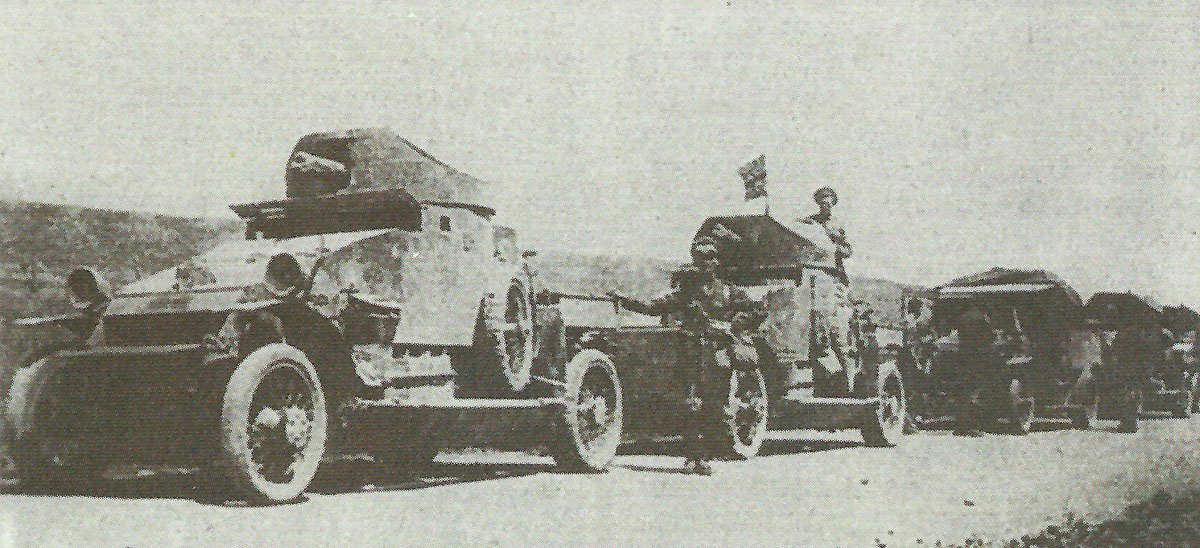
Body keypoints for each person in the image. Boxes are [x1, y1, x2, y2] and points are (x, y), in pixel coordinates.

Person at [609, 236, 761, 475]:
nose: (705, 263)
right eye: (700, 258)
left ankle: (706, 455)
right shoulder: (688, 290)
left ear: (717, 261)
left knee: (717, 404)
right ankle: (693, 457)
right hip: (691, 351)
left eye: (709, 257)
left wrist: (734, 326)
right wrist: (626, 300)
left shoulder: (729, 291)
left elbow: (757, 310)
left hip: (718, 352)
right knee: (690, 404)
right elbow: (655, 306)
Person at [952, 303, 999, 437]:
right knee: (975, 390)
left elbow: (959, 336)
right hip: (980, 356)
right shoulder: (983, 318)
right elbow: (990, 337)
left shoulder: (962, 317)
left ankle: (960, 425)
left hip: (964, 355)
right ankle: (970, 426)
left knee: (964, 391)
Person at [800, 186, 852, 277]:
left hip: (833, 269)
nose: (825, 207)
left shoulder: (838, 225)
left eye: (828, 204)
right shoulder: (810, 221)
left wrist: (835, 247)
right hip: (813, 268)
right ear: (818, 203)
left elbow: (848, 251)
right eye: (823, 203)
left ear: (832, 204)